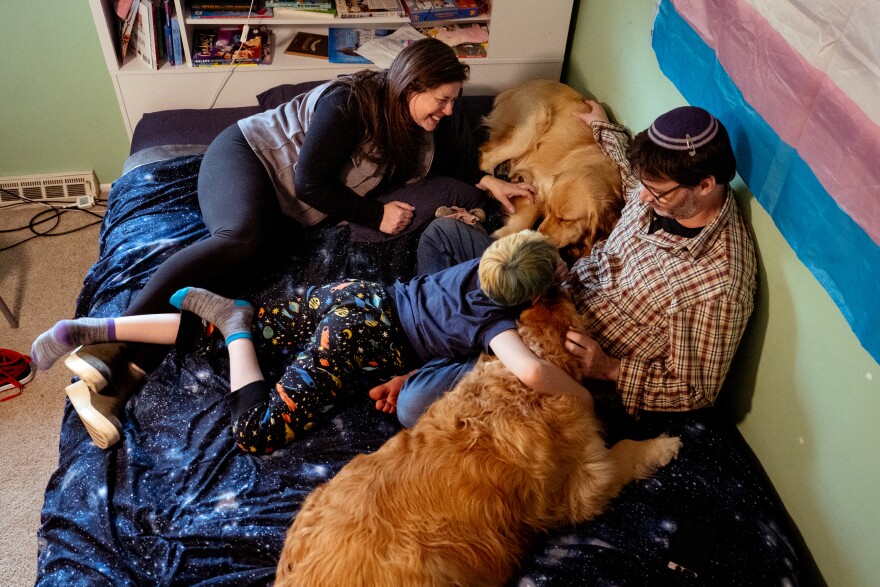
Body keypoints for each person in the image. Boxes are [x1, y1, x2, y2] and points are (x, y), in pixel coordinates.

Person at [64, 38, 536, 438]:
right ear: (412, 87)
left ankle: (121, 381)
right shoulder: (351, 102)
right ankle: (109, 342)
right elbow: (310, 182)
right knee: (239, 240)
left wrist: (486, 182)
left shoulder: (420, 129)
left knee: (235, 284)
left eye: (455, 100)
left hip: (288, 210)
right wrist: (374, 212)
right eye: (443, 99)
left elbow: (450, 164)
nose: (450, 110)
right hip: (247, 159)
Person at [371, 102, 757, 428]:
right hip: (548, 289)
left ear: (705, 185)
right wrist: (602, 126)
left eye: (656, 191)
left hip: (560, 355)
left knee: (412, 405)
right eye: (645, 185)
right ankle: (460, 341)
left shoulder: (719, 283)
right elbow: (628, 174)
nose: (644, 196)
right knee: (445, 234)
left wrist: (608, 368)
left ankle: (454, 348)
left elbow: (697, 390)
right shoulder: (661, 188)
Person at [32, 230, 585, 452]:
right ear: (530, 297)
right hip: (360, 336)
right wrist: (581, 397)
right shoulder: (497, 324)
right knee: (255, 431)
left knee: (226, 337)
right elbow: (533, 373)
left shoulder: (475, 265)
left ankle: (90, 328)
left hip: (355, 295)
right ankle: (236, 324)